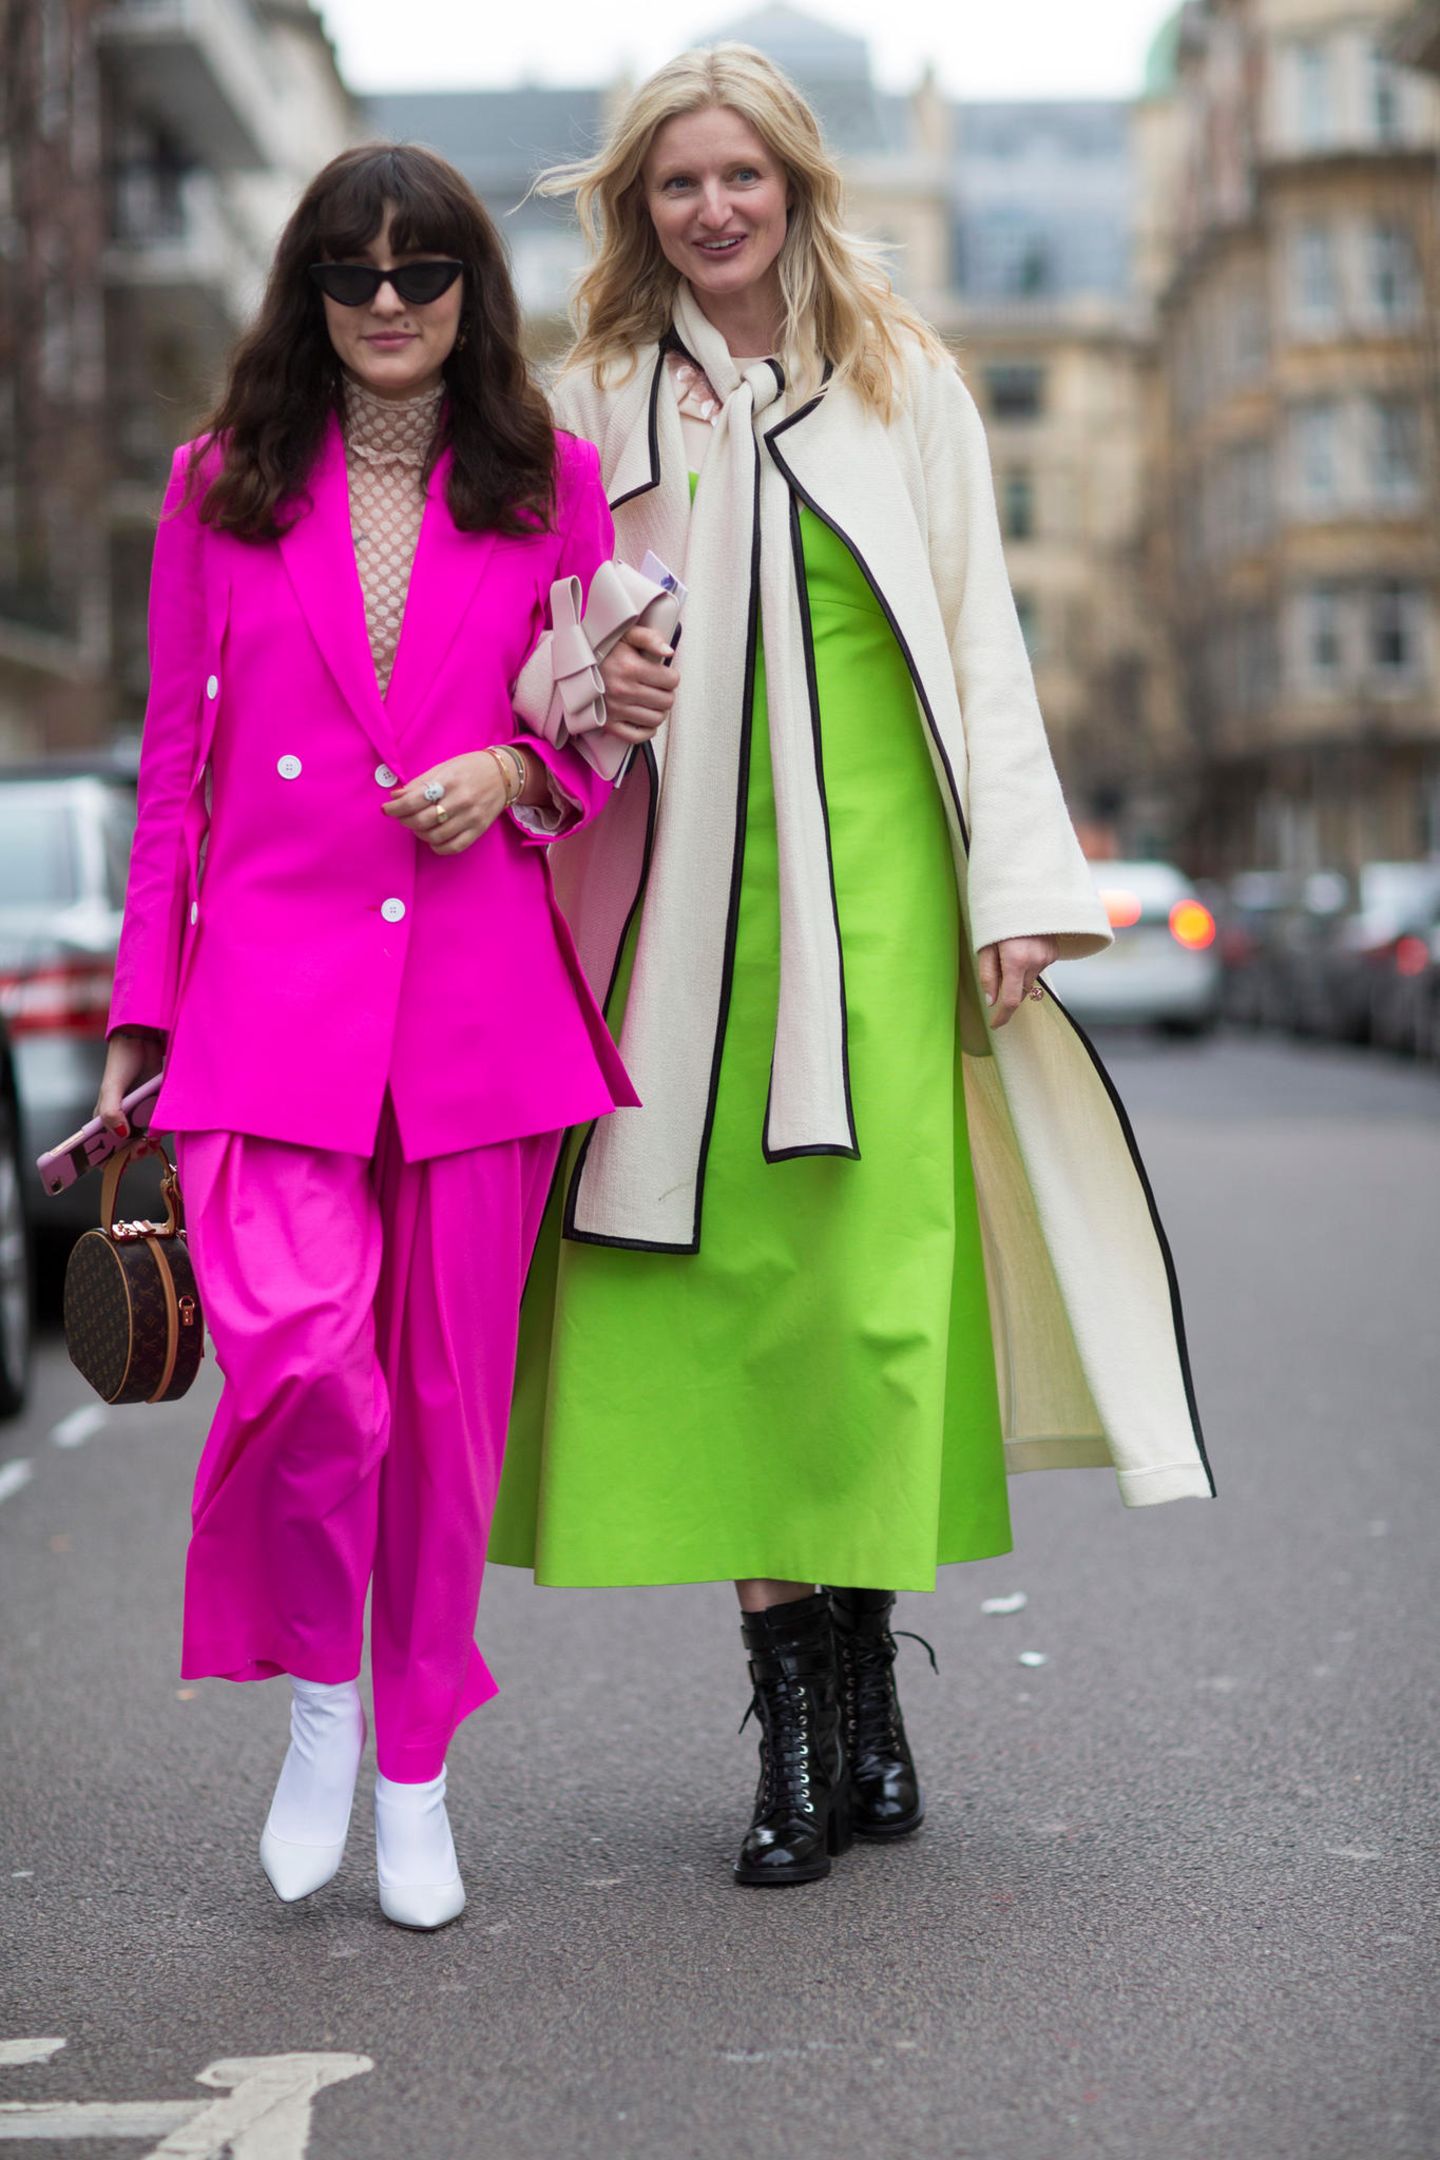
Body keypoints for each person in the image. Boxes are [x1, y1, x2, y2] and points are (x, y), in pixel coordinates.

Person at [489, 45, 1213, 1886]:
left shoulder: (906, 382)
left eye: (742, 175)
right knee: (725, 1299)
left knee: (870, 1313)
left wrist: (1015, 897)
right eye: (678, 184)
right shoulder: (586, 400)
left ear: (796, 186)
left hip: (882, 900)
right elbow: (526, 659)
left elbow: (983, 641)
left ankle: (868, 1682)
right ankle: (800, 1737)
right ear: (639, 209)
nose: (713, 209)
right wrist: (586, 684)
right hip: (673, 927)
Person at [97, 143, 636, 1930]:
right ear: (309, 294)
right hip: (269, 1008)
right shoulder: (217, 485)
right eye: (354, 272)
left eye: (423, 273)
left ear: (472, 290)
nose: (389, 304)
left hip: (479, 1016)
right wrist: (137, 1020)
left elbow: (598, 731)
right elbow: (173, 769)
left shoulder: (550, 483)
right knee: (315, 1369)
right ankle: (324, 1691)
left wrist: (526, 769)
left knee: (450, 1422)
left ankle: (415, 1765)